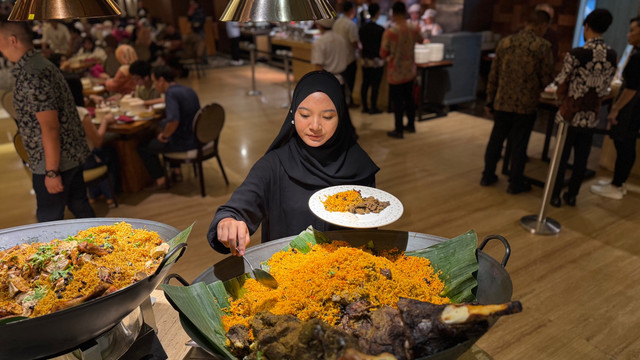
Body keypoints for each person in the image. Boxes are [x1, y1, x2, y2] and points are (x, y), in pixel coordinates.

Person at [207, 71, 379, 256]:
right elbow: (235, 209)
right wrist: (228, 222)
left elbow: (368, 229)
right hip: (288, 273)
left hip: (347, 274)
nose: (315, 125)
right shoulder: (274, 165)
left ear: (341, 118)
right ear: (293, 114)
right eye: (305, 115)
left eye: (327, 117)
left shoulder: (358, 166)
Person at [0, 19, 94, 222]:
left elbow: (50, 126)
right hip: (68, 154)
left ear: (13, 40)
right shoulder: (40, 64)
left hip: (54, 161)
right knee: (81, 210)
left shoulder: (33, 73)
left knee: (49, 221)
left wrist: (51, 172)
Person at [480, 10, 554, 194]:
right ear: (542, 25)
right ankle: (515, 183)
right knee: (520, 144)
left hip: (502, 101)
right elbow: (546, 78)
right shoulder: (542, 46)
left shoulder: (505, 42)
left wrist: (489, 100)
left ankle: (487, 176)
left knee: (496, 140)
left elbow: (493, 75)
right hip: (525, 104)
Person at [549, 9, 616, 207]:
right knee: (581, 158)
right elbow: (606, 87)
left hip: (570, 113)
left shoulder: (577, 53)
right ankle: (572, 195)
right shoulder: (612, 55)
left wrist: (559, 99)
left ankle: (553, 196)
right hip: (592, 115)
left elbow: (562, 82)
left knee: (561, 156)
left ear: (586, 27)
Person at [591, 16, 640, 200]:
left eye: (633, 30)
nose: (629, 34)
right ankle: (619, 181)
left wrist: (615, 109)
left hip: (631, 108)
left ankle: (617, 185)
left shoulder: (637, 57)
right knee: (626, 143)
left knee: (624, 142)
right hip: (635, 107)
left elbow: (631, 88)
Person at [137, 66, 200, 188]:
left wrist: (164, 135)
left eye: (154, 82)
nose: (154, 86)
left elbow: (174, 121)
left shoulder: (170, 94)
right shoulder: (187, 89)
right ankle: (176, 170)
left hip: (185, 143)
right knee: (161, 126)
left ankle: (160, 178)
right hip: (197, 137)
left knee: (143, 147)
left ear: (161, 80)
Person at [380, 1, 423, 139]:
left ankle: (399, 130)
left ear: (393, 14)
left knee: (397, 102)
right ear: (405, 12)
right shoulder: (415, 28)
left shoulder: (390, 32)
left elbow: (383, 54)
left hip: (395, 72)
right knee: (409, 98)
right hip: (410, 70)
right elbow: (421, 41)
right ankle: (411, 125)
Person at [359, 3, 385, 115]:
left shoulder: (362, 28)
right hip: (376, 60)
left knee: (365, 83)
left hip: (365, 59)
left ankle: (364, 106)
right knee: (375, 85)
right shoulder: (380, 29)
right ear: (377, 13)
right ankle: (373, 107)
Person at [332, 1, 359, 106]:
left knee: (341, 83)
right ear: (352, 10)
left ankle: (342, 102)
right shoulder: (351, 24)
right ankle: (350, 101)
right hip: (349, 58)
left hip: (338, 57)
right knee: (350, 82)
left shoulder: (337, 22)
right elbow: (354, 42)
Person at [311, 19, 350, 83]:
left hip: (327, 81)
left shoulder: (319, 42)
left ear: (319, 26)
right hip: (342, 79)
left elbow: (318, 67)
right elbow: (347, 58)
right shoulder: (341, 39)